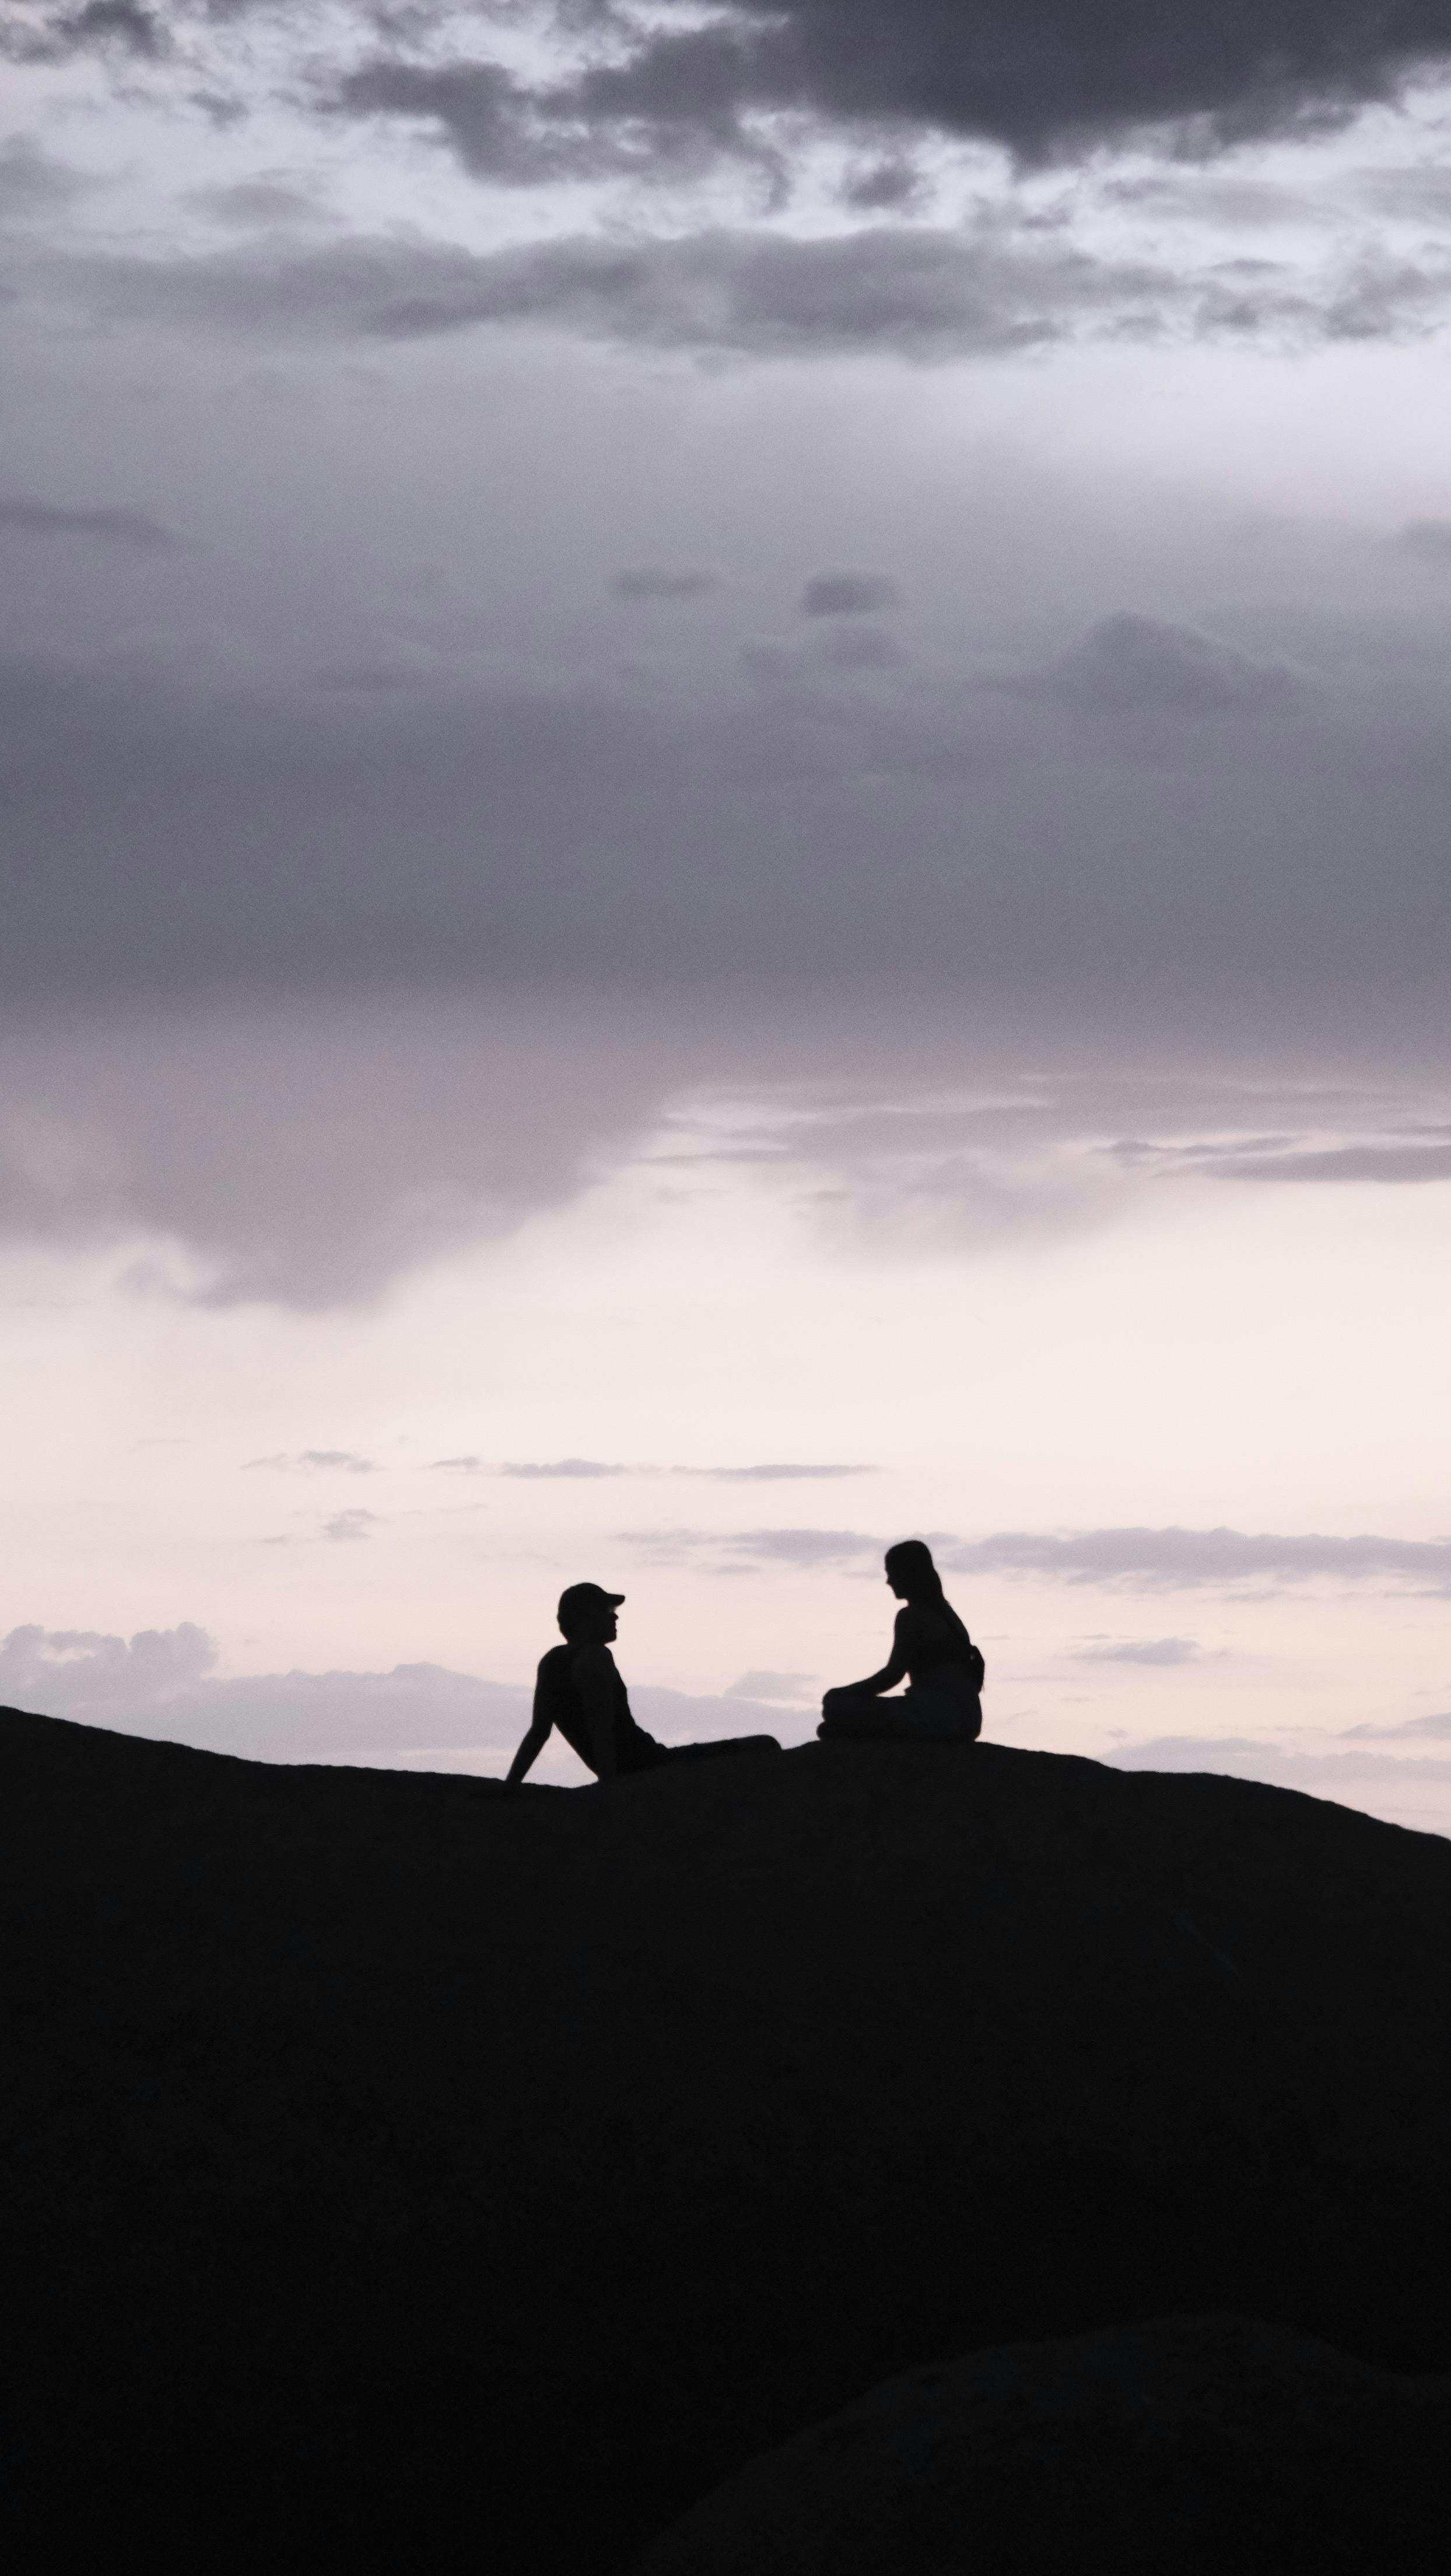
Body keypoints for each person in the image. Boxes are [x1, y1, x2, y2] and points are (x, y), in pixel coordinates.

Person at [504, 1583, 780, 1786]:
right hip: (649, 1765)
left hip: (641, 1764)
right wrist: (611, 1790)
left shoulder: (552, 1661)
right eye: (607, 1610)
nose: (615, 1616)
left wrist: (510, 1785)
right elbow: (601, 1731)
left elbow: (538, 1733)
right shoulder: (596, 1657)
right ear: (585, 1618)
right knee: (765, 1745)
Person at [818, 1539, 983, 1742]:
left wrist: (842, 1694)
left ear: (908, 1574)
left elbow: (893, 1675)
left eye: (891, 1573)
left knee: (837, 1707)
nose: (888, 1581)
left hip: (936, 1718)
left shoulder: (911, 1617)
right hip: (968, 1720)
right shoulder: (950, 1617)